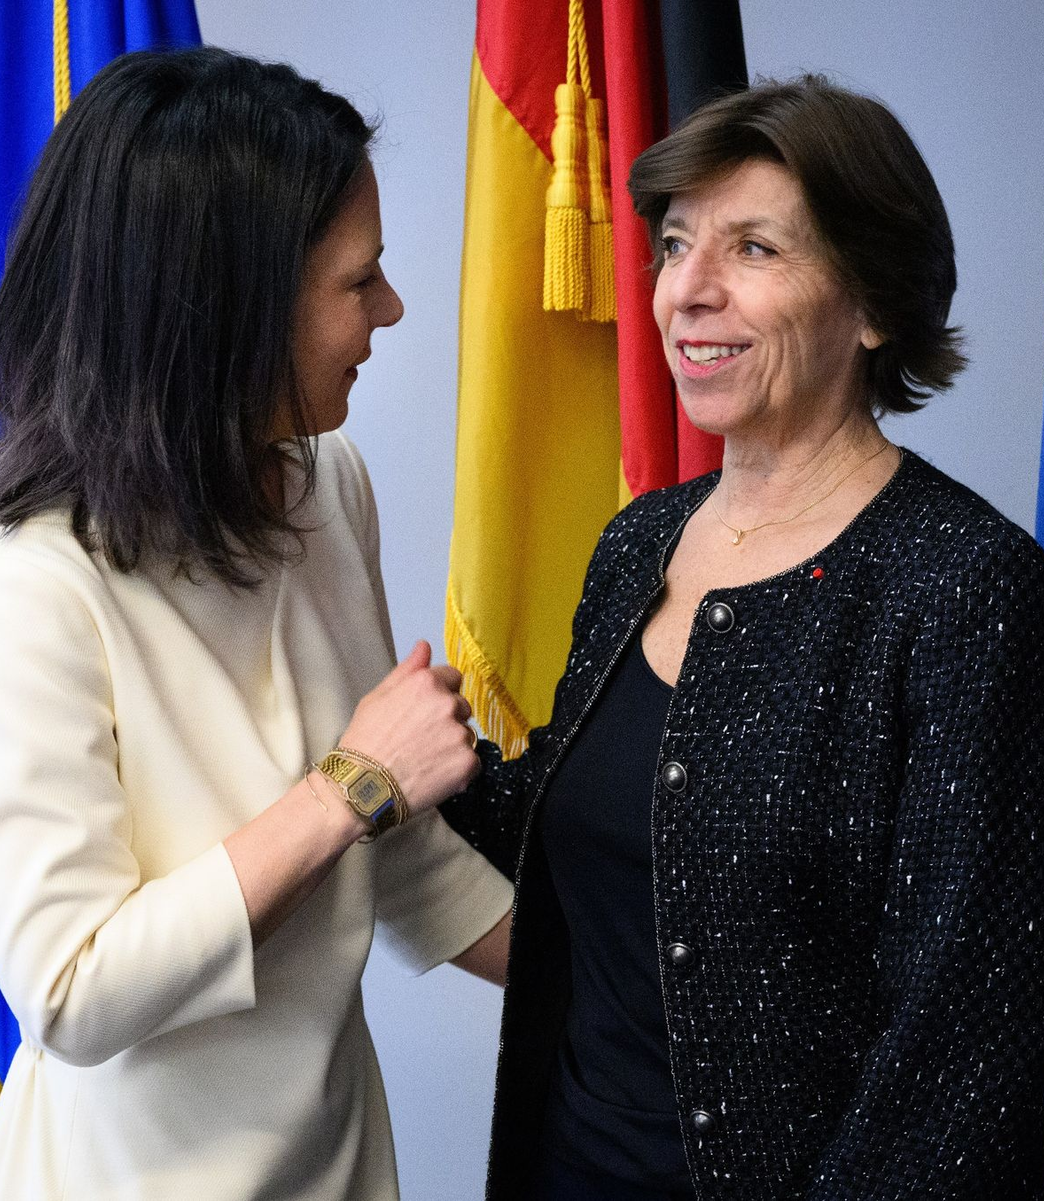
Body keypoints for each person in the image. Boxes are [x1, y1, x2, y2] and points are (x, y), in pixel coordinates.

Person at [443, 76, 1044, 1201]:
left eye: (753, 249)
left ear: (874, 303)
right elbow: (583, 840)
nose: (687, 290)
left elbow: (958, 1059)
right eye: (676, 243)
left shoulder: (969, 586)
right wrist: (399, 750)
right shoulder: (638, 542)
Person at [0, 48, 512, 1201]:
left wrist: (655, 1004)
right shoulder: (37, 589)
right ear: (232, 306)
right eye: (357, 280)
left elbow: (395, 850)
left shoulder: (331, 484)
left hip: (339, 1169)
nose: (390, 309)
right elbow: (73, 991)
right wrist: (348, 787)